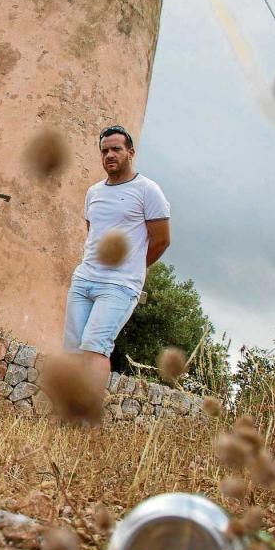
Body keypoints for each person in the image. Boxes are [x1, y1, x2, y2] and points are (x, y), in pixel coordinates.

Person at [63, 124, 171, 389]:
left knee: (94, 347)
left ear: (130, 152)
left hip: (120, 285)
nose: (109, 155)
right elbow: (93, 234)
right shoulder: (94, 192)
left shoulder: (148, 191)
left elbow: (161, 241)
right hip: (84, 279)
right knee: (73, 350)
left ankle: (87, 418)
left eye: (116, 149)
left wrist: (133, 268)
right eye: (104, 151)